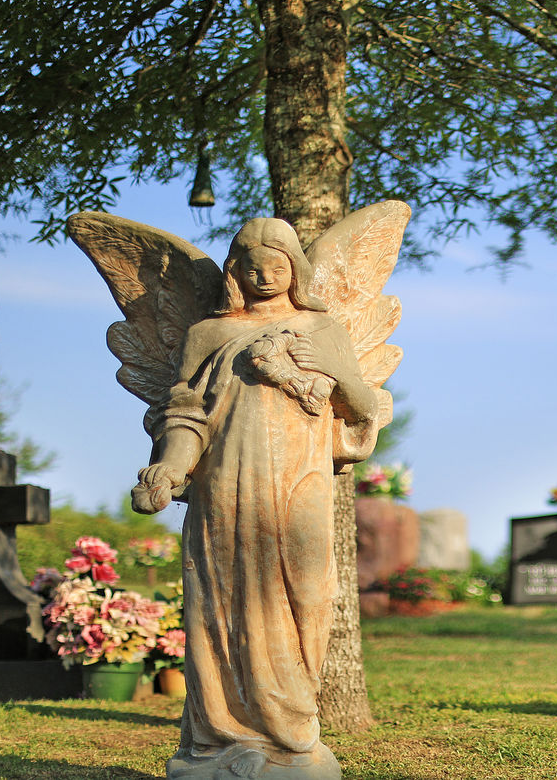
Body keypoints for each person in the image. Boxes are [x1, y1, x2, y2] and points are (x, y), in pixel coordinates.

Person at [134, 217, 375, 779]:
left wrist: (340, 372)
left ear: (297, 269)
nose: (264, 274)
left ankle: (294, 738)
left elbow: (363, 414)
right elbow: (186, 416)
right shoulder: (208, 335)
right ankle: (221, 740)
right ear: (233, 272)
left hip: (301, 485)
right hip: (225, 490)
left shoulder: (323, 329)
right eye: (251, 264)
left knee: (309, 597)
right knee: (222, 606)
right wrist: (168, 471)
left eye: (278, 263)